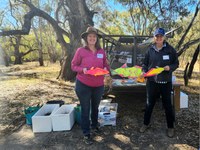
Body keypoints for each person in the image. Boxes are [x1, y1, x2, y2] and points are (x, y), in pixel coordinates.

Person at [71, 27, 110, 145]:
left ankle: (94, 125)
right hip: (83, 85)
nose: (92, 38)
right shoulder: (80, 51)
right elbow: (73, 66)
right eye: (90, 36)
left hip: (98, 85)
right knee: (85, 108)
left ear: (96, 38)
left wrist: (106, 70)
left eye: (94, 36)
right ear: (86, 38)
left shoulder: (101, 51)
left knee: (95, 107)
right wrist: (83, 70)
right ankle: (86, 133)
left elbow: (106, 66)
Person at [139, 28, 179, 138]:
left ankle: (170, 127)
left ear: (164, 37)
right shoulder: (150, 50)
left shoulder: (170, 50)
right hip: (152, 82)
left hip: (166, 82)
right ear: (154, 37)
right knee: (149, 104)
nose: (159, 38)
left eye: (161, 36)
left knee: (167, 105)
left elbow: (176, 63)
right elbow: (145, 64)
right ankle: (146, 124)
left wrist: (169, 67)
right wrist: (143, 71)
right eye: (157, 36)